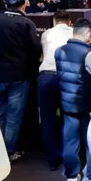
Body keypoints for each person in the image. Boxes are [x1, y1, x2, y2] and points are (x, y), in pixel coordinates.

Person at [55, 19, 91, 181]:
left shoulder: (59, 51)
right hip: (87, 105)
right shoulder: (89, 54)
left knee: (70, 142)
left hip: (67, 104)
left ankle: (71, 177)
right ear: (88, 33)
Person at [0, 0, 42, 160]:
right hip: (18, 75)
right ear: (23, 6)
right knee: (13, 116)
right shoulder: (26, 23)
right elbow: (35, 49)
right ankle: (9, 151)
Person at [37, 10, 73, 171]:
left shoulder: (46, 34)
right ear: (69, 22)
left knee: (47, 119)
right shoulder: (74, 33)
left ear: (54, 21)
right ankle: (68, 156)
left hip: (45, 76)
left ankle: (52, 160)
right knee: (68, 118)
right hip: (66, 77)